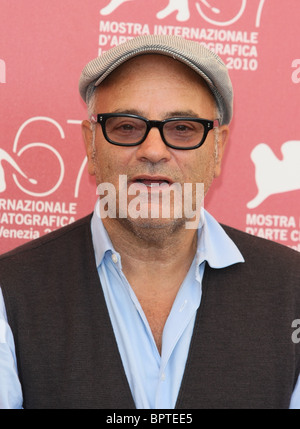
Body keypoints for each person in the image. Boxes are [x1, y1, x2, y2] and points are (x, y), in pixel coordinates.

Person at [0, 35, 299, 409]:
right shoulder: (9, 292)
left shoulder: (293, 289)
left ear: (218, 148)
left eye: (183, 129)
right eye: (126, 127)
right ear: (91, 145)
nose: (154, 150)